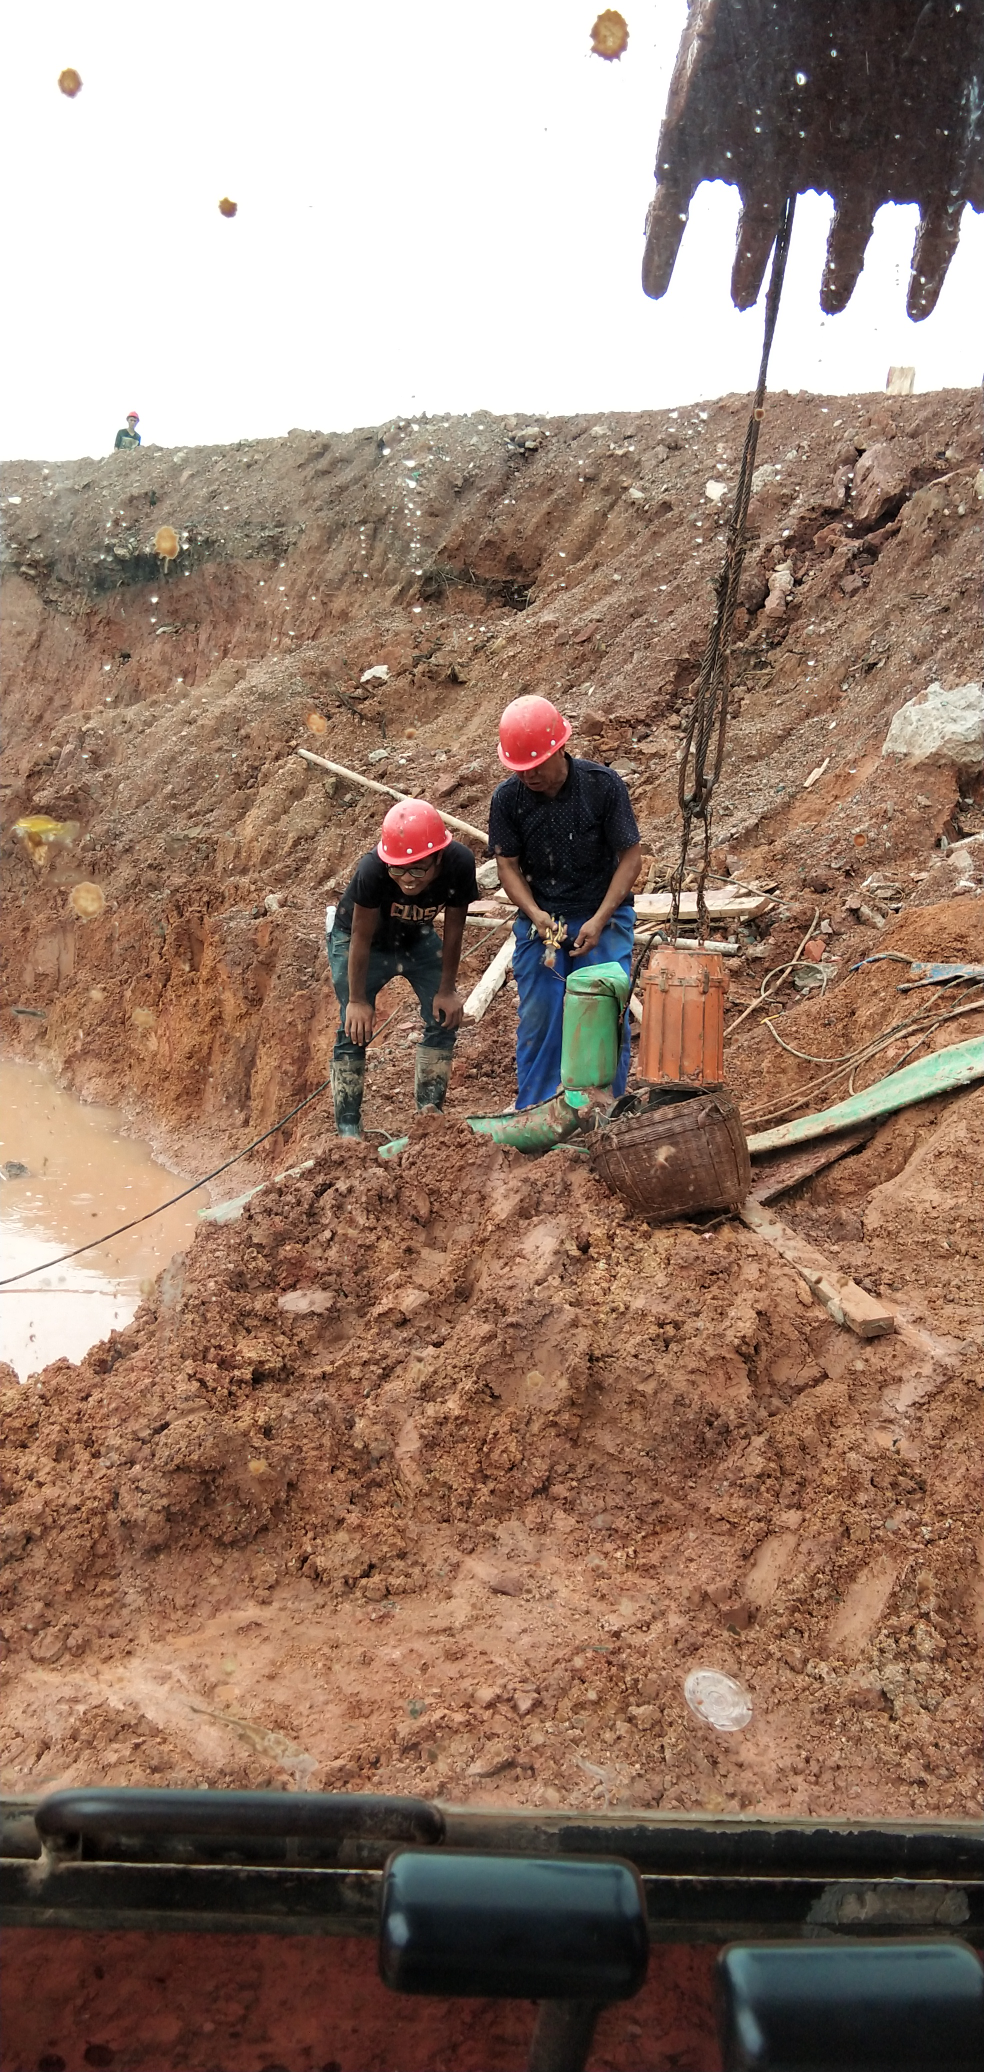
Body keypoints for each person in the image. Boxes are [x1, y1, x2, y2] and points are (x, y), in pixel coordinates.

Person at [488, 694, 642, 1110]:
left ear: (559, 748)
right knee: (542, 1019)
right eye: (520, 768)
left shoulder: (601, 786)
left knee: (605, 1016)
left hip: (603, 918)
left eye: (536, 764)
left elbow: (631, 857)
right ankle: (537, 1111)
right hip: (544, 922)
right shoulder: (508, 799)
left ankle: (604, 1108)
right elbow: (507, 867)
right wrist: (535, 914)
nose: (529, 775)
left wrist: (600, 917)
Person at [326, 798, 478, 1137]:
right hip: (361, 942)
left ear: (439, 856)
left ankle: (429, 1114)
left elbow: (454, 928)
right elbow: (361, 939)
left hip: (414, 937)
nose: (407, 880)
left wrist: (447, 989)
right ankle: (349, 1128)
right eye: (398, 869)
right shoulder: (373, 869)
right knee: (354, 1026)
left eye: (418, 869)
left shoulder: (459, 863)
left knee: (444, 1018)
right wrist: (357, 1000)